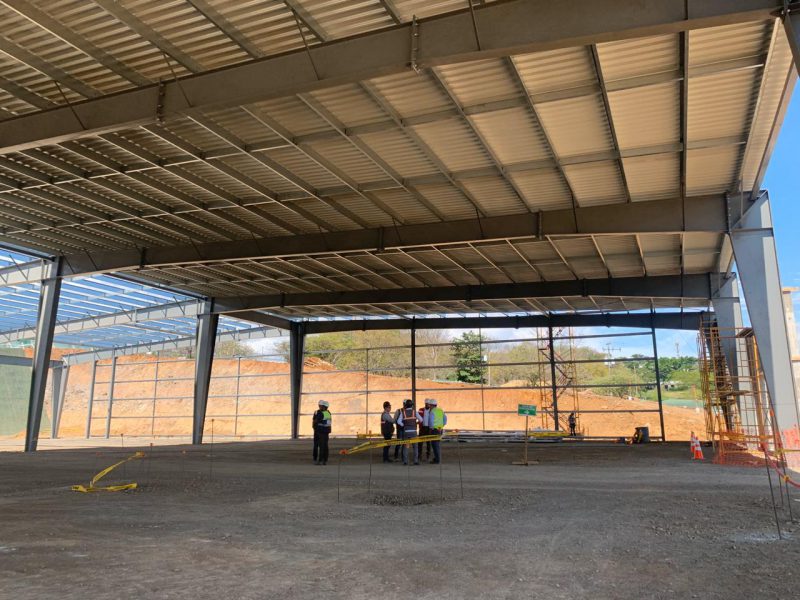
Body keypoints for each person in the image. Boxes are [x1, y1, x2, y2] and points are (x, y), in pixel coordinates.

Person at [396, 399, 421, 465]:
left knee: (406, 447)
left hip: (406, 432)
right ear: (412, 405)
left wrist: (403, 425)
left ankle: (405, 461)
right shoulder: (414, 412)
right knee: (415, 447)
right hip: (414, 432)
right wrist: (416, 423)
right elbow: (421, 419)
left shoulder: (403, 412)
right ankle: (415, 461)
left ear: (406, 405)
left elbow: (398, 421)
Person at [423, 398, 447, 464]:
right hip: (440, 430)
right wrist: (442, 425)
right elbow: (445, 419)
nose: (429, 406)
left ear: (431, 405)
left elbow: (430, 422)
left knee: (435, 445)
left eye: (429, 405)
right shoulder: (440, 410)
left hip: (434, 430)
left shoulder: (432, 411)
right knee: (437, 445)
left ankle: (437, 460)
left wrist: (431, 428)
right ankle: (437, 458)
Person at [312, 400, 332, 465]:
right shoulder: (326, 413)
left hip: (321, 432)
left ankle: (321, 460)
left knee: (322, 446)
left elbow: (316, 421)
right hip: (323, 432)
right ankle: (324, 460)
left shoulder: (323, 413)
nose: (319, 407)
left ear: (324, 406)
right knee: (324, 446)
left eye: (320, 406)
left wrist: (316, 422)